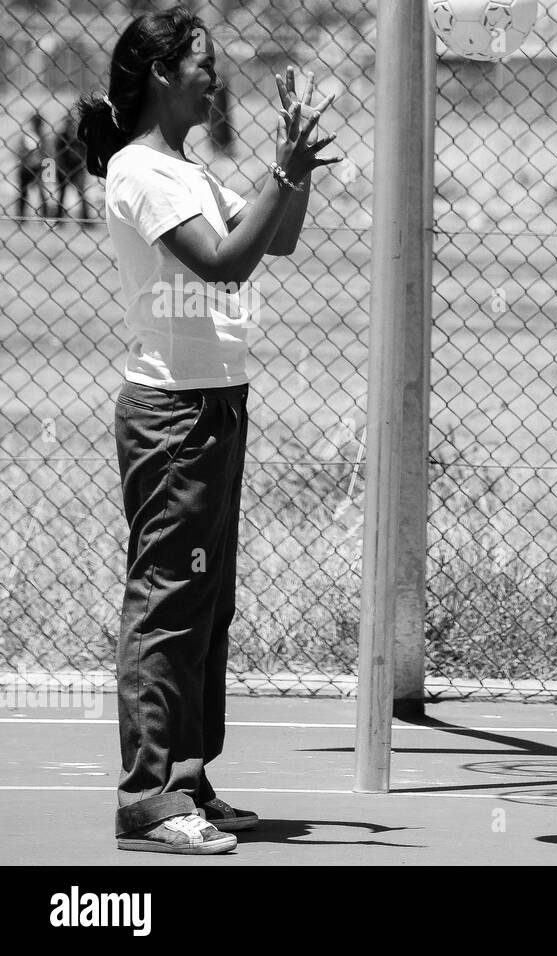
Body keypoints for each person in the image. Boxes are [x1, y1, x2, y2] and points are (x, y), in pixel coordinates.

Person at [78, 5, 340, 854]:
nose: (214, 76)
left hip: (217, 404)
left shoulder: (188, 169)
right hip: (173, 415)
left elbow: (279, 240)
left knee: (206, 604)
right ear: (160, 74)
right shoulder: (140, 171)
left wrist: (289, 171)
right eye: (202, 62)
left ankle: (187, 778)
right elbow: (225, 267)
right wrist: (279, 170)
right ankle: (147, 800)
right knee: (168, 604)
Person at [14, 111, 50, 218]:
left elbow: (46, 153)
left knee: (42, 193)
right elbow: (19, 151)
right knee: (23, 193)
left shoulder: (43, 137)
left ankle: (45, 216)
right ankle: (21, 216)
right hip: (26, 168)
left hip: (38, 168)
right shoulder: (27, 136)